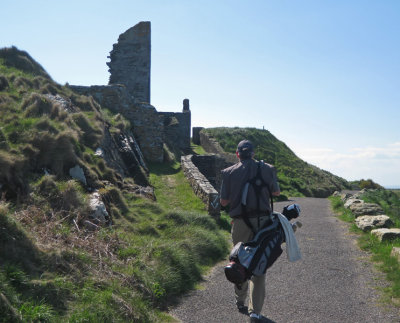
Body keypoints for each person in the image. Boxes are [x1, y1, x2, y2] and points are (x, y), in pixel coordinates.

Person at [220, 139, 280, 323]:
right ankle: (255, 312)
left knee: (239, 260)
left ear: (237, 154)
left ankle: (240, 300)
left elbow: (223, 201)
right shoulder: (268, 169)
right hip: (264, 223)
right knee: (259, 264)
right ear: (253, 153)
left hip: (240, 223)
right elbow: (276, 193)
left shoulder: (229, 173)